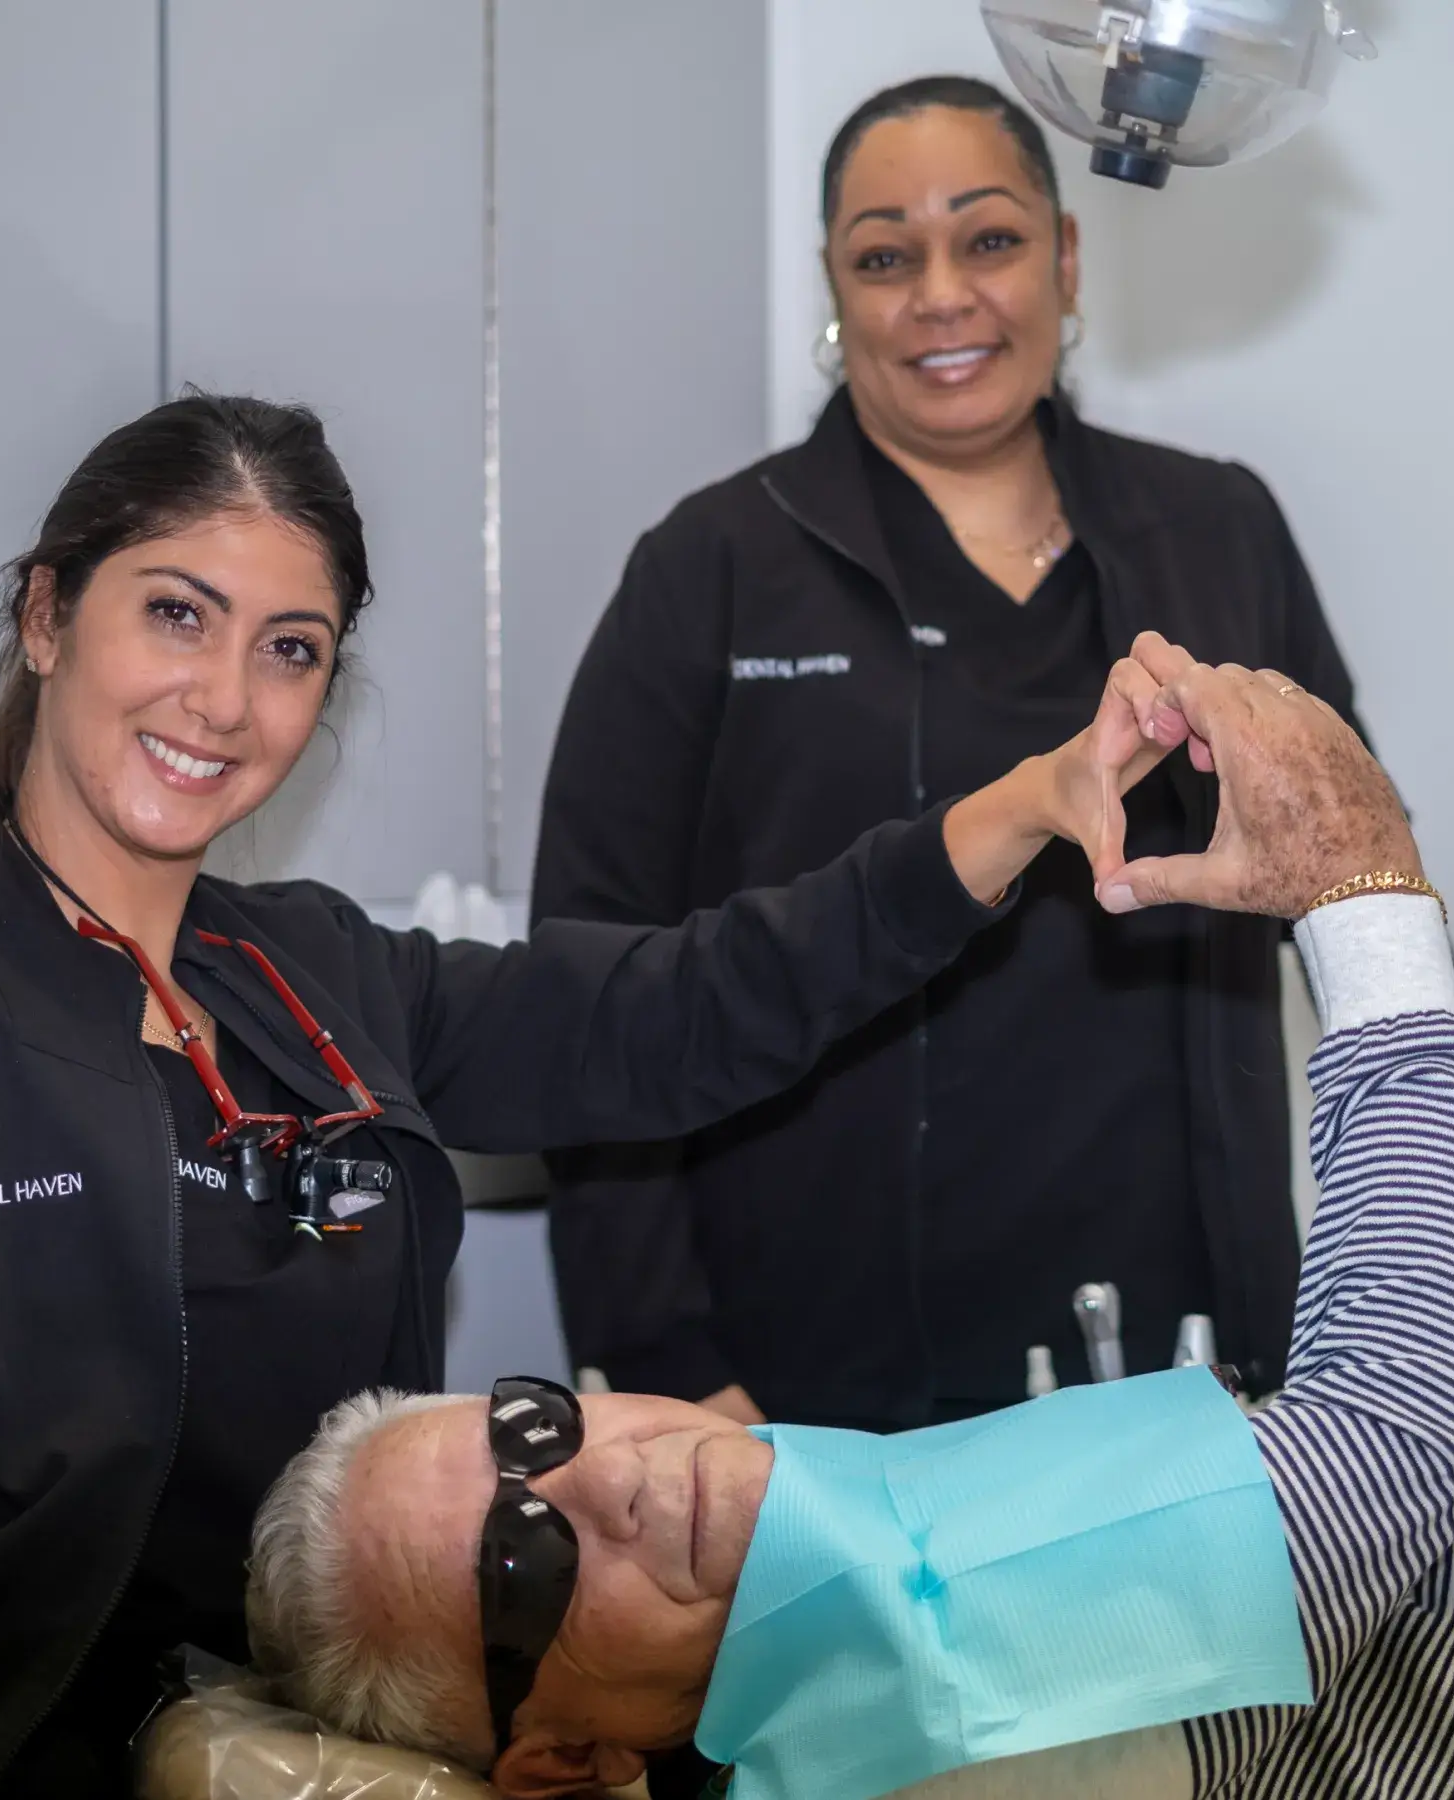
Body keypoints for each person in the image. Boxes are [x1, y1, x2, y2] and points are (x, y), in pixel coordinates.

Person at [0, 394, 1164, 1800]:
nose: (222, 699)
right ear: (47, 615)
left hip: (370, 1753)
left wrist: (1020, 808)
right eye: (175, 612)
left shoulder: (321, 975)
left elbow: (684, 1011)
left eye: (291, 648)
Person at [251, 639, 1454, 1800]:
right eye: (525, 1565)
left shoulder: (846, 1594)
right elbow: (1402, 1447)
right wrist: (1361, 888)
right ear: (562, 1762)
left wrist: (1018, 810)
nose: (607, 1482)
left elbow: (695, 997)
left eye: (533, 1425)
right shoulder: (916, 1714)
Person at [533, 76, 1362, 1444]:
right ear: (835, 288)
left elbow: (1350, 889)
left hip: (1188, 1350)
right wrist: (668, 1360)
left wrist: (1406, 1269)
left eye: (988, 239)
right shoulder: (714, 570)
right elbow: (593, 978)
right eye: (884, 255)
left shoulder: (1217, 531)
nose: (941, 294)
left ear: (1065, 256)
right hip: (816, 1371)